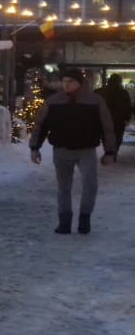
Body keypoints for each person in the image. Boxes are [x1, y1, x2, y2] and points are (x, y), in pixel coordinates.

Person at [28, 68, 118, 234]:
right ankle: (64, 221)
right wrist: (35, 147)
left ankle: (84, 218)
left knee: (90, 185)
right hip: (61, 149)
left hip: (86, 150)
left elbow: (106, 126)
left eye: (70, 81)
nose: (66, 84)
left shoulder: (95, 100)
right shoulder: (54, 101)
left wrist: (110, 151)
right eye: (64, 81)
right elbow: (41, 124)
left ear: (79, 83)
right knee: (64, 187)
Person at [97, 73, 132, 144]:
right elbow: (128, 107)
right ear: (119, 82)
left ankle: (108, 148)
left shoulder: (100, 91)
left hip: (104, 120)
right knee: (117, 138)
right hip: (118, 120)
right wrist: (127, 118)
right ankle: (114, 150)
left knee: (106, 137)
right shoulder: (123, 93)